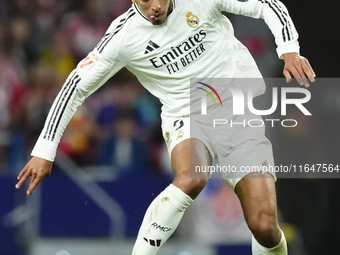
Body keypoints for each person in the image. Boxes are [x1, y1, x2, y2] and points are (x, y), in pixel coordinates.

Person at [15, 0, 315, 254]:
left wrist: (289, 49)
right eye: (145, 0)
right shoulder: (124, 36)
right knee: (191, 177)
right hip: (185, 114)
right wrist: (45, 149)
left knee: (263, 226)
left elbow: (267, 5)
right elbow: (74, 86)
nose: (155, 6)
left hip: (238, 110)